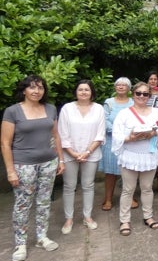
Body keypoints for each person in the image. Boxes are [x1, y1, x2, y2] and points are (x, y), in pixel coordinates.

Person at [2, 75, 64, 260]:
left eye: (40, 88)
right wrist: (10, 170)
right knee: (22, 205)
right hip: (23, 165)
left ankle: (41, 237)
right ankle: (20, 244)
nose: (36, 91)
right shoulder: (12, 111)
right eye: (32, 87)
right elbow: (5, 143)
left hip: (49, 163)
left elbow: (56, 136)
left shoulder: (50, 108)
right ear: (24, 90)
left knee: (44, 202)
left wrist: (61, 160)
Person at [112, 82, 158, 236]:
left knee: (147, 188)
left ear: (149, 96)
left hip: (149, 156)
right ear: (133, 94)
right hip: (130, 156)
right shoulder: (124, 113)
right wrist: (129, 139)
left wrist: (153, 134)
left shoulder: (156, 112)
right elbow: (117, 134)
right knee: (128, 189)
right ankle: (124, 220)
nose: (142, 96)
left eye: (145, 94)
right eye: (139, 93)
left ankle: (148, 216)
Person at [58, 80, 106, 234]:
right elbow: (62, 133)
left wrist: (87, 152)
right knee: (69, 186)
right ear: (76, 92)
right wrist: (73, 153)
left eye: (87, 89)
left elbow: (100, 133)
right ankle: (69, 219)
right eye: (80, 89)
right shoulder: (67, 108)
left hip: (91, 154)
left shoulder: (98, 109)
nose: (84, 92)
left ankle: (87, 217)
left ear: (92, 92)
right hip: (69, 153)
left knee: (88, 185)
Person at [99, 77, 138, 211]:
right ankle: (108, 199)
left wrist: (127, 135)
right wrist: (118, 132)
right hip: (111, 141)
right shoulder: (108, 102)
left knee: (129, 171)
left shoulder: (133, 102)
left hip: (129, 142)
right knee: (110, 173)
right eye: (118, 85)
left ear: (129, 89)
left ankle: (130, 197)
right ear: (115, 87)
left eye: (124, 85)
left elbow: (136, 120)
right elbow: (104, 120)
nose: (121, 87)